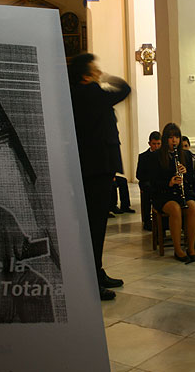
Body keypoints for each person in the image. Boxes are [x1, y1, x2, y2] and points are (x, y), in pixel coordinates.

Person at [68, 53, 129, 301]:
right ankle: (92, 279)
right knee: (95, 227)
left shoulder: (75, 95)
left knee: (94, 226)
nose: (98, 72)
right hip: (97, 169)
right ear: (85, 75)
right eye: (94, 69)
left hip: (88, 168)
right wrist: (104, 78)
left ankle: (97, 271)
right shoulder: (91, 93)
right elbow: (124, 89)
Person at [149, 123, 195, 262]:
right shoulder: (156, 156)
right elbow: (152, 182)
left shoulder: (186, 155)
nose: (174, 141)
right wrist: (169, 182)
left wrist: (185, 173)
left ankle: (191, 248)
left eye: (177, 137)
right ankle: (178, 249)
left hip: (180, 192)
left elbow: (192, 180)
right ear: (165, 139)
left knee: (193, 207)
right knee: (175, 209)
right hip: (163, 194)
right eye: (171, 137)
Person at [136, 131, 161, 231]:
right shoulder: (143, 156)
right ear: (149, 143)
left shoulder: (164, 156)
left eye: (158, 144)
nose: (156, 146)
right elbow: (138, 175)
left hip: (159, 181)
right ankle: (147, 221)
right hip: (147, 182)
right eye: (154, 144)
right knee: (147, 191)